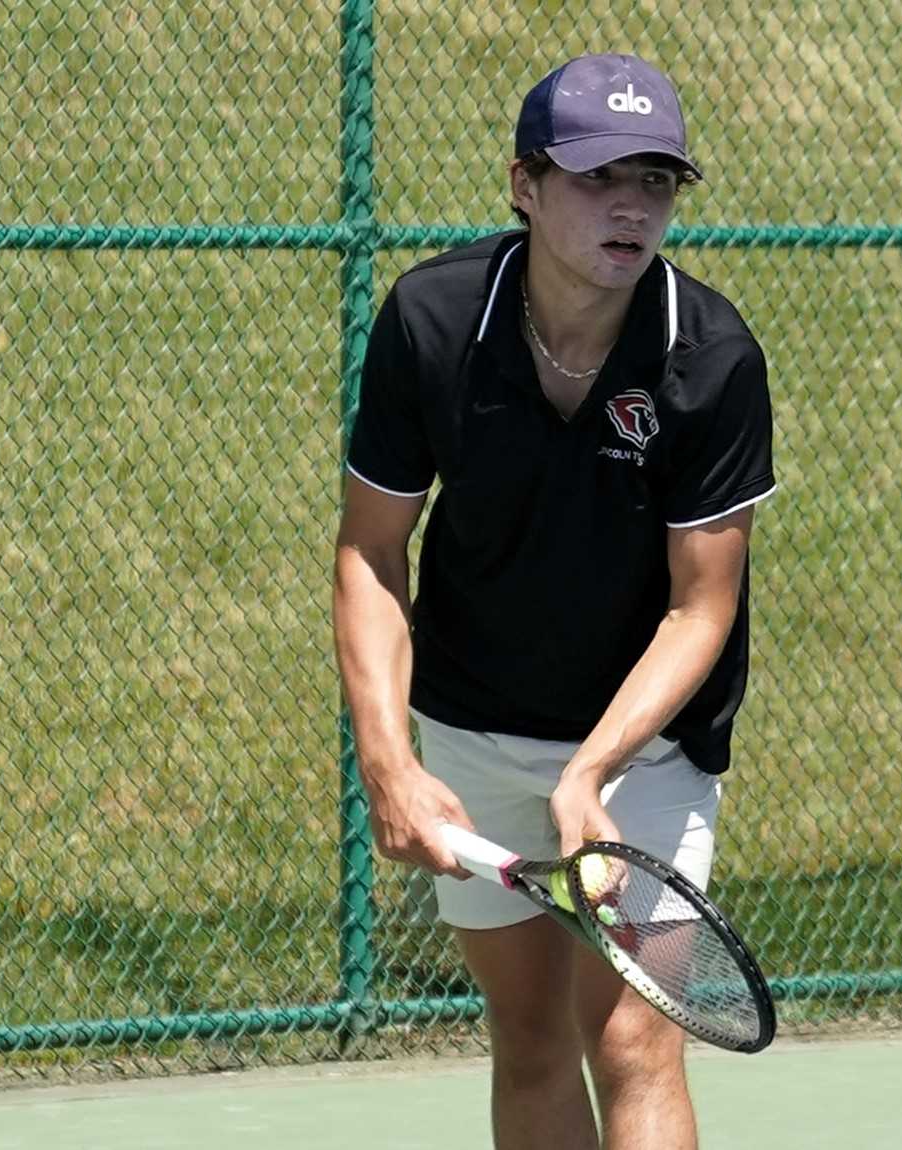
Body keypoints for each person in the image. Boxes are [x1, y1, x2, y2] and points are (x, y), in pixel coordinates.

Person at [332, 52, 774, 1150]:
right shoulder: (432, 322)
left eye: (657, 181)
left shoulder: (711, 362)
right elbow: (372, 554)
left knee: (632, 1039)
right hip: (473, 730)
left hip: (648, 753)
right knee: (527, 1034)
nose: (632, 206)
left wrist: (592, 772)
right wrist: (389, 762)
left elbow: (701, 609)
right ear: (524, 185)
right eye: (597, 177)